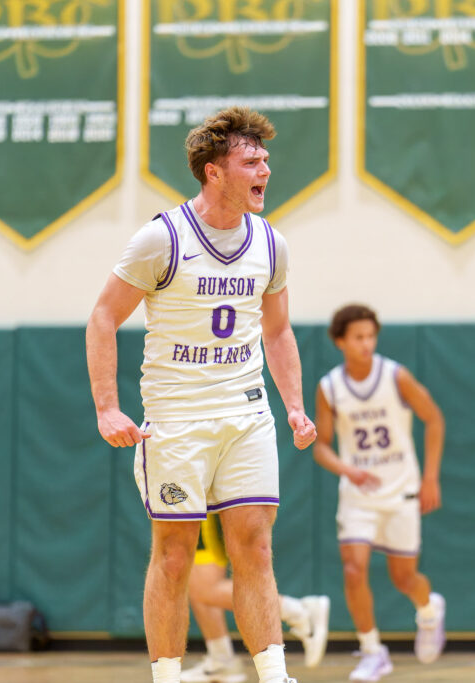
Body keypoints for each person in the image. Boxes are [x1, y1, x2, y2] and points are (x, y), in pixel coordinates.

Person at [86, 107, 316, 683]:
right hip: (177, 418)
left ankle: (273, 675)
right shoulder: (160, 238)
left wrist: (293, 405)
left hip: (245, 412)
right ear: (214, 172)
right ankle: (167, 677)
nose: (265, 168)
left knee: (255, 549)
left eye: (265, 158)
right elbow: (102, 318)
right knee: (174, 557)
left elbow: (278, 330)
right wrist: (107, 407)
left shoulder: (270, 242)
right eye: (251, 160)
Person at [312, 304, 446, 682]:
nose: (366, 344)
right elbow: (321, 445)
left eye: (371, 336)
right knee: (354, 570)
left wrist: (431, 478)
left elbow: (434, 417)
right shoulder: (330, 387)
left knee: (405, 579)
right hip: (358, 494)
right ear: (340, 341)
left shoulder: (395, 376)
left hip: (401, 488)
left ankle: (429, 609)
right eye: (358, 337)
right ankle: (372, 651)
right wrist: (347, 469)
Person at [182, 513, 330, 682]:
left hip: (202, 505)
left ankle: (298, 611)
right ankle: (221, 659)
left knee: (204, 588)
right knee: (195, 581)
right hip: (193, 504)